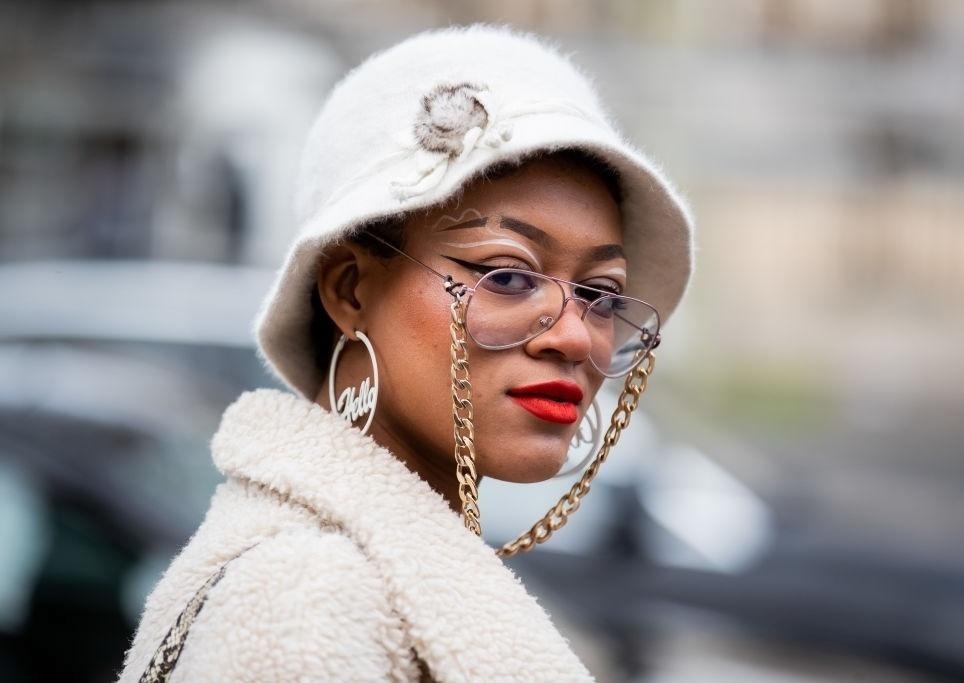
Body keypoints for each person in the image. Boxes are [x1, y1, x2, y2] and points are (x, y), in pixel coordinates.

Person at [118, 23, 694, 682]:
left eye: (600, 293)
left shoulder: (376, 580)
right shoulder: (308, 597)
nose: (574, 336)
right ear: (350, 289)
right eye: (508, 276)